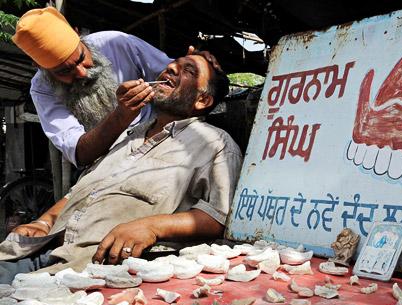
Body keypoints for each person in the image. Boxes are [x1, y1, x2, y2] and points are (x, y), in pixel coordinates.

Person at [0, 52, 242, 284]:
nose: (171, 68)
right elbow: (82, 191)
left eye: (188, 70)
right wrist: (43, 222)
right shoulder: (128, 135)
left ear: (203, 100)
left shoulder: (215, 143)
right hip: (42, 250)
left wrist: (152, 226)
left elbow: (217, 216)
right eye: (174, 64)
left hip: (85, 267)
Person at [12, 7, 173, 167]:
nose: (82, 73)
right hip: (107, 163)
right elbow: (79, 153)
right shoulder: (42, 89)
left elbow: (171, 75)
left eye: (81, 57)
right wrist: (121, 116)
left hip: (161, 135)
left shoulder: (117, 42)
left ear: (78, 33)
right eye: (65, 71)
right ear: (39, 66)